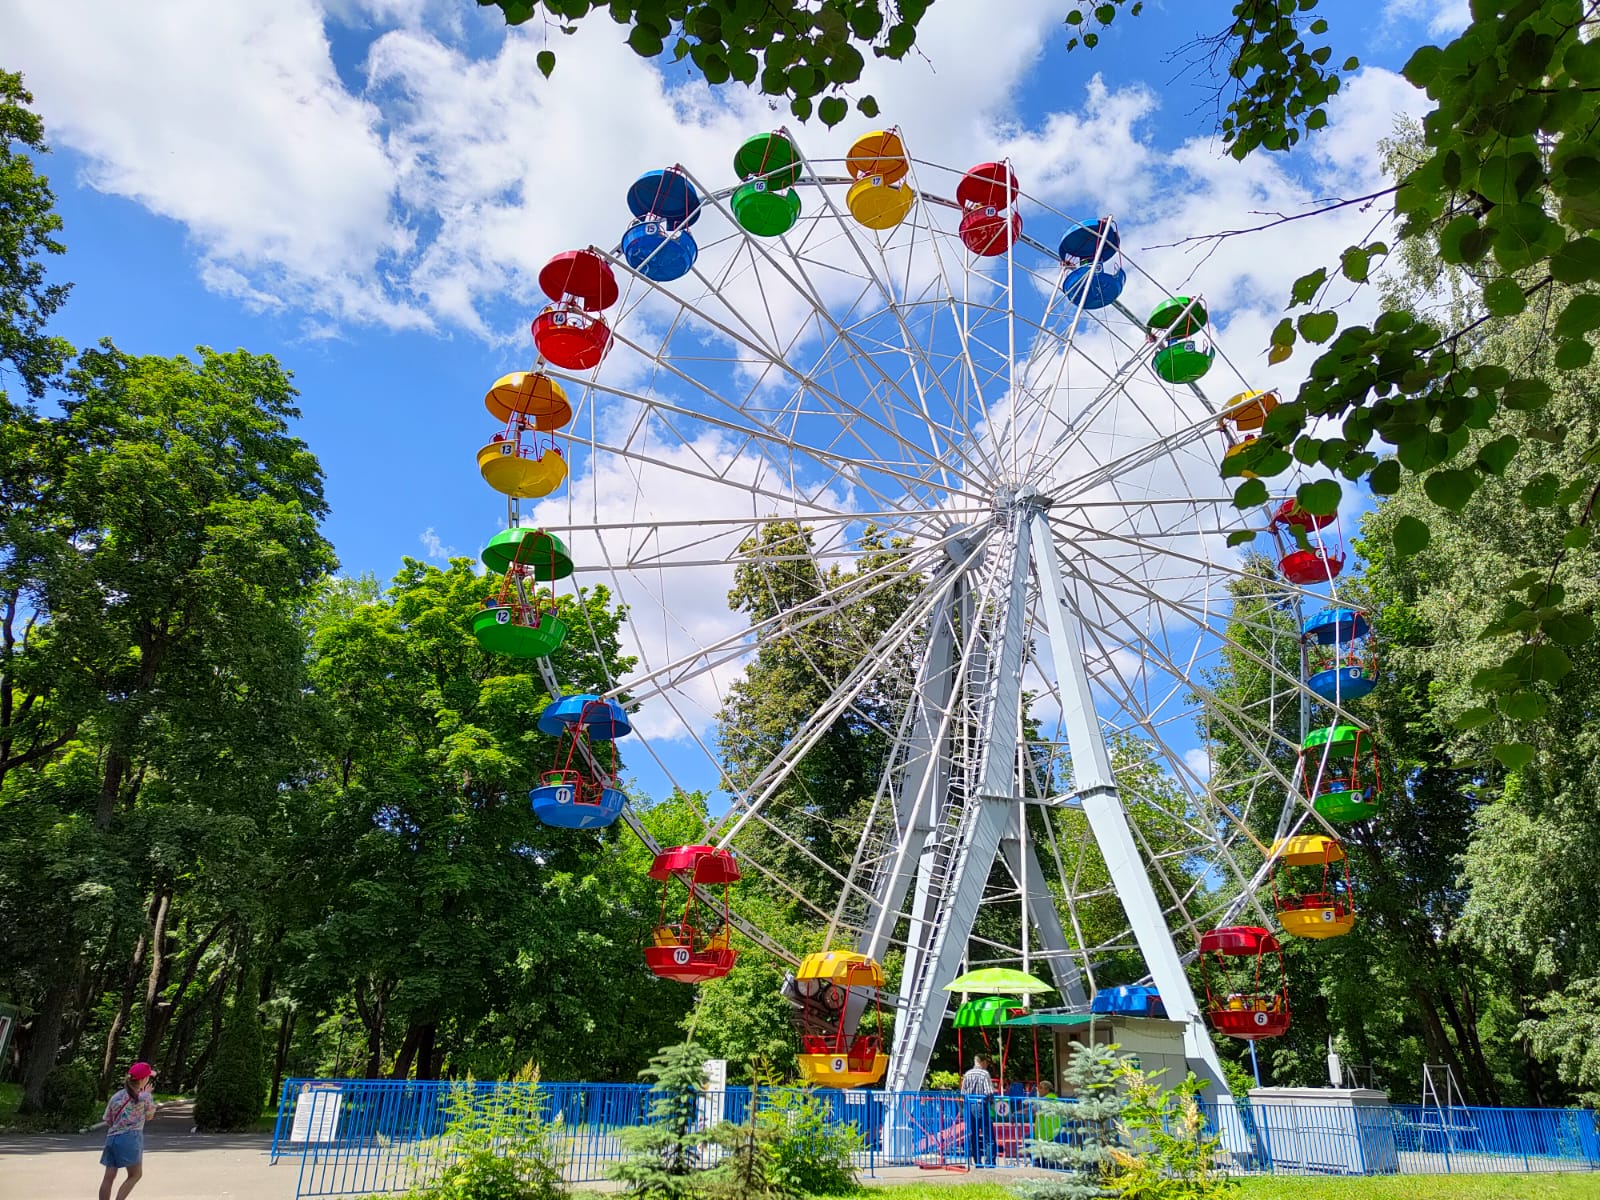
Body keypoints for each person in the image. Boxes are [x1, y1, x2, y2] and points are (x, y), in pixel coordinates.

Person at [97, 1062, 157, 1200]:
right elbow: (149, 1116)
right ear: (143, 1079)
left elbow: (107, 1119)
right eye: (148, 1077)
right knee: (135, 1174)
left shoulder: (116, 1096)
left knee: (108, 1177)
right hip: (131, 1138)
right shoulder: (144, 1097)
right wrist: (147, 1095)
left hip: (112, 1138)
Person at [960, 1053, 996, 1168]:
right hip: (982, 1105)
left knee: (974, 1134)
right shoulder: (984, 1074)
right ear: (983, 1062)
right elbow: (989, 1091)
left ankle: (977, 1162)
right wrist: (990, 1102)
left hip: (970, 1106)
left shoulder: (967, 1074)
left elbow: (963, 1093)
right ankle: (990, 1162)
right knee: (988, 1135)